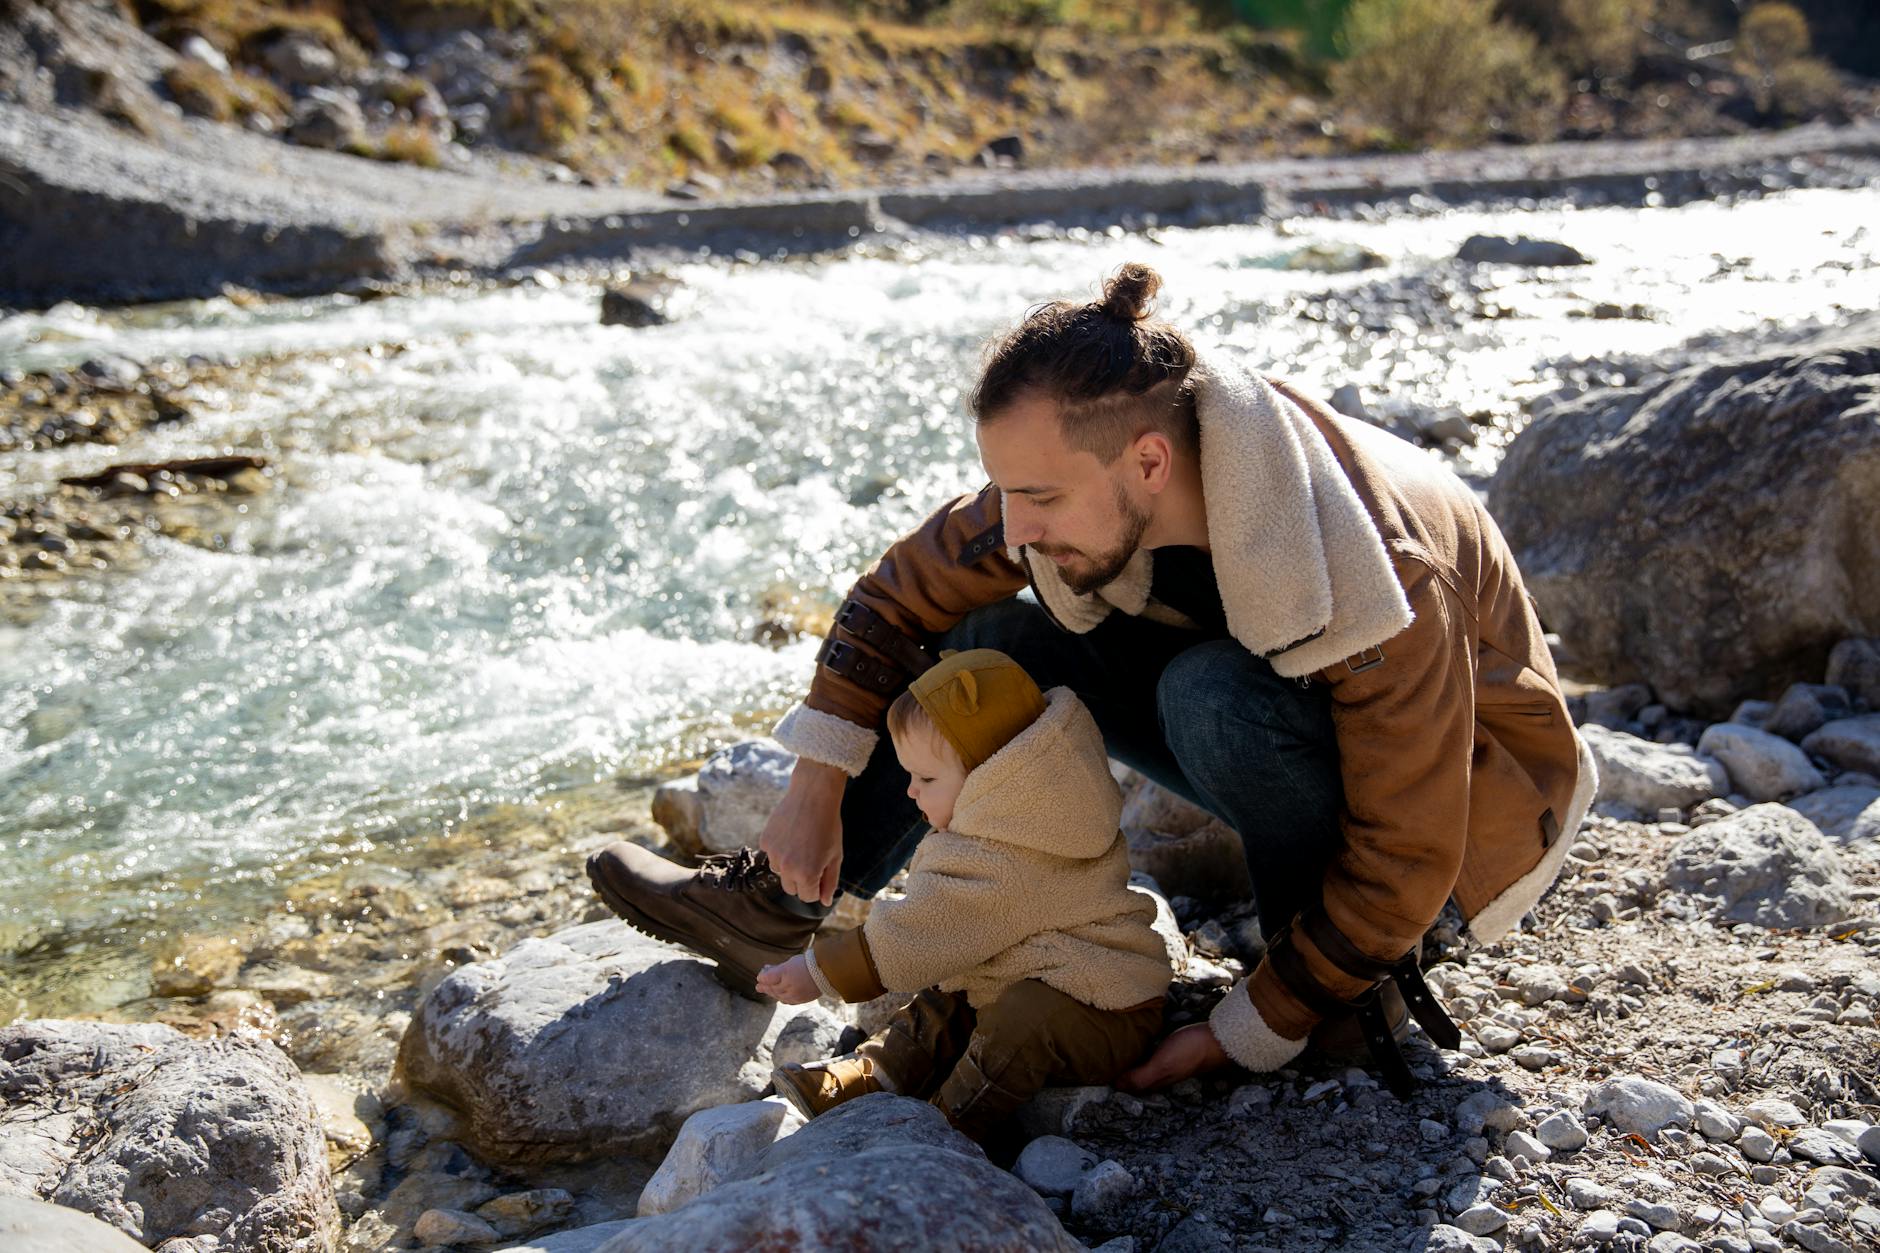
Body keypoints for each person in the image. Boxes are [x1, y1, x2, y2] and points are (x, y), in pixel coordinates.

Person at [587, 260, 1597, 1093]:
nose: (1014, 523)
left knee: (1211, 697)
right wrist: (812, 789)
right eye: (1004, 489)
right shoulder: (1100, 468)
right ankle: (782, 907)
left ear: (1148, 465)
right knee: (989, 628)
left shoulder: (1378, 568)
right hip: (1286, 720)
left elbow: (1413, 848)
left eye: (1037, 495)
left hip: (1464, 817)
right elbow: (894, 598)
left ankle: (1335, 988)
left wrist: (1252, 1023)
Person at [751, 648, 1170, 1142]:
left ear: (995, 779)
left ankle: (947, 1124)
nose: (910, 792)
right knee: (948, 993)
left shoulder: (1014, 853)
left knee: (1021, 1018)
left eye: (926, 778)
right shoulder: (1023, 816)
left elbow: (919, 931)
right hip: (1042, 970)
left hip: (1105, 1013)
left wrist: (816, 972)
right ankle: (879, 1073)